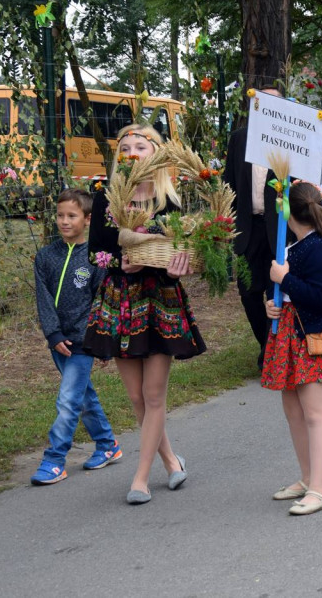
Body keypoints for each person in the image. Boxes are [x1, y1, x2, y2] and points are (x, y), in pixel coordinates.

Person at [83, 124, 203, 504]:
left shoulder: (170, 201)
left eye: (141, 145)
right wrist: (122, 262)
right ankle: (171, 461)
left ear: (156, 154)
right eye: (126, 146)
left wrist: (177, 268)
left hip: (160, 301)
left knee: (153, 395)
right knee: (136, 396)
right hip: (120, 299)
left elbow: (178, 255)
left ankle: (140, 478)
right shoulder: (106, 198)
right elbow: (95, 254)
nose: (132, 151)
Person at [263, 182, 322, 515]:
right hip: (289, 335)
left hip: (313, 340)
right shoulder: (293, 246)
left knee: (315, 414)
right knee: (294, 411)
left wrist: (285, 280)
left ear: (288, 211)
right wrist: (271, 305)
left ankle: (320, 489)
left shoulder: (317, 248)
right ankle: (306, 478)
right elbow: (288, 295)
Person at [30, 188, 121, 485]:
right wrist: (53, 333)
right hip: (59, 341)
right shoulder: (45, 257)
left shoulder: (96, 259)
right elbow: (43, 299)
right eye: (60, 215)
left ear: (87, 219)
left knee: (68, 400)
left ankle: (55, 459)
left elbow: (101, 301)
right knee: (83, 397)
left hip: (84, 342)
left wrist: (104, 342)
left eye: (71, 216)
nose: (64, 221)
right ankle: (108, 445)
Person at [265, 107, 322, 337]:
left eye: (321, 126)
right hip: (303, 229)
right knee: (303, 287)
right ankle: (306, 339)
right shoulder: (304, 155)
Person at [225, 85, 280, 369]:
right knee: (248, 292)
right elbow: (228, 183)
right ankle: (266, 343)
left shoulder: (290, 140)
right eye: (262, 101)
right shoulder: (239, 139)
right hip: (248, 228)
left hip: (281, 228)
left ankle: (277, 351)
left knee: (278, 291)